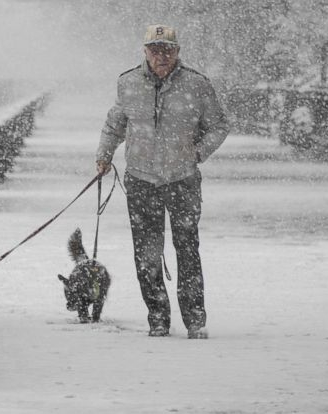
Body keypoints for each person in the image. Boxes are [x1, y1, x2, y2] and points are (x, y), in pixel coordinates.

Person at [96, 24, 229, 339]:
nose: (161, 56)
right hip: (141, 178)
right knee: (146, 252)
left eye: (167, 49)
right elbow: (115, 123)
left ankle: (195, 319)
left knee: (187, 248)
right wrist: (104, 155)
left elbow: (219, 124)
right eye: (155, 49)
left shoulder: (197, 85)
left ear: (177, 51)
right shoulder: (127, 83)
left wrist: (197, 153)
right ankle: (157, 317)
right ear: (145, 51)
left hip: (182, 179)